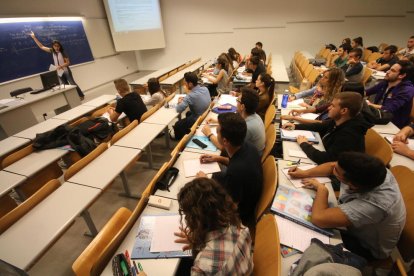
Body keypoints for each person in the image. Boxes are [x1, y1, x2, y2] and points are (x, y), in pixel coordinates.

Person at [287, 152, 406, 260]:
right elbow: (333, 166)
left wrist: (322, 189)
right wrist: (305, 173)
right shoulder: (373, 172)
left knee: (301, 240)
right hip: (356, 226)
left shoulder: (376, 203)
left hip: (366, 246)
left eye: (336, 172)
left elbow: (319, 218)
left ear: (353, 185)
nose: (333, 169)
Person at [174, 178, 253, 275]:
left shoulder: (201, 267)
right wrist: (200, 242)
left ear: (196, 219)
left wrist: (202, 246)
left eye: (186, 215)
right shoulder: (240, 227)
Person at [197, 112, 263, 228]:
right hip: (245, 193)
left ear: (225, 141)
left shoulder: (235, 172)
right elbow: (236, 162)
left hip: (239, 213)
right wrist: (218, 158)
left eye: (217, 131)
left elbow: (230, 207)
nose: (216, 131)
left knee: (199, 201)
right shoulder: (248, 146)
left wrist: (205, 182)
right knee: (216, 175)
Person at [282, 92, 372, 164]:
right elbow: (321, 125)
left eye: (333, 106)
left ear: (344, 111)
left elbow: (326, 159)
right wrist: (296, 126)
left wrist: (304, 144)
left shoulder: (350, 134)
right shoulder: (341, 120)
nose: (329, 108)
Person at [202, 88, 265, 155]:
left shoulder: (247, 127)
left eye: (237, 100)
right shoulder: (255, 115)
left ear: (242, 107)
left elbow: (225, 148)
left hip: (245, 159)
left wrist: (209, 134)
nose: (236, 102)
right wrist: (218, 121)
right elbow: (235, 123)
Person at [29, 31, 85, 100]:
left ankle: (81, 95)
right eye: (55, 46)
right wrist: (34, 37)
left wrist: (61, 66)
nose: (57, 47)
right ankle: (72, 98)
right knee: (65, 85)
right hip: (59, 72)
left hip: (66, 71)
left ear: (60, 46)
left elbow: (68, 63)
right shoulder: (52, 51)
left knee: (72, 83)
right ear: (53, 46)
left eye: (58, 46)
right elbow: (41, 46)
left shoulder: (63, 52)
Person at [366, 60, 414, 128]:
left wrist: (369, 105)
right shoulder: (386, 82)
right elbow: (367, 92)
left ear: (401, 75)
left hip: (392, 124)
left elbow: (389, 108)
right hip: (377, 116)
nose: (387, 71)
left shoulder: (406, 90)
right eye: (389, 69)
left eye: (392, 70)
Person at [171, 72, 211, 140]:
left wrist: (179, 102)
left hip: (198, 119)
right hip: (205, 114)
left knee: (178, 124)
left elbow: (178, 109)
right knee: (188, 113)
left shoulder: (190, 96)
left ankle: (180, 139)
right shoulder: (205, 88)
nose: (184, 85)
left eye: (185, 83)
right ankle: (188, 131)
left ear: (190, 84)